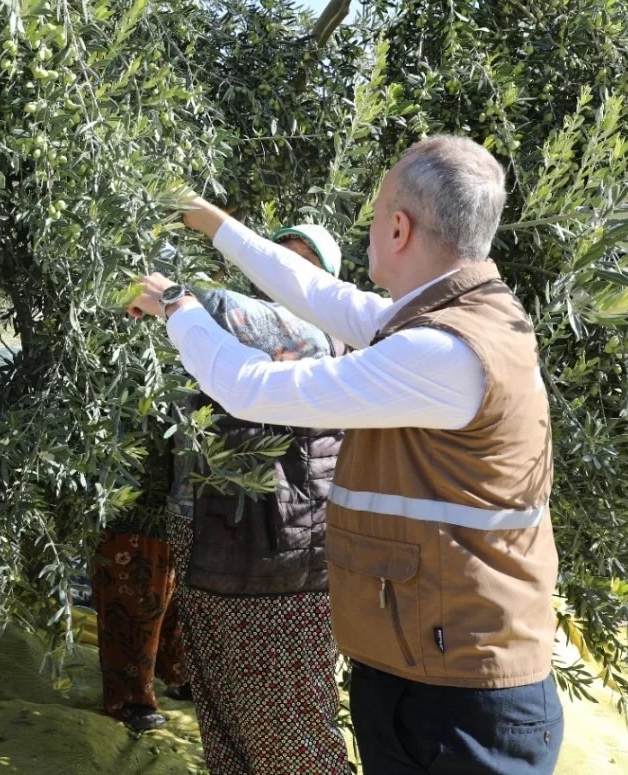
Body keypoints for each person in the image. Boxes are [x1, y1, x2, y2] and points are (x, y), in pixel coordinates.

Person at [127, 135, 562, 775]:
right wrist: (208, 219)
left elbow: (250, 388)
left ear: (396, 226)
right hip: (431, 670)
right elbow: (317, 292)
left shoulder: (446, 353)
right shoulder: (447, 320)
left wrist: (175, 304)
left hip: (461, 696)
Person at [164, 224, 349, 774]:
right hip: (210, 551)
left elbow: (225, 308)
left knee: (291, 737)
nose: (283, 280)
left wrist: (167, 282)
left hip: (281, 569)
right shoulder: (223, 333)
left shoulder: (321, 336)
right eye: (274, 264)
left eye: (299, 268)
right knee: (223, 720)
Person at [90, 437, 190, 733]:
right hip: (129, 510)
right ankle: (130, 699)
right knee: (132, 602)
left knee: (176, 598)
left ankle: (179, 675)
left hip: (177, 505)